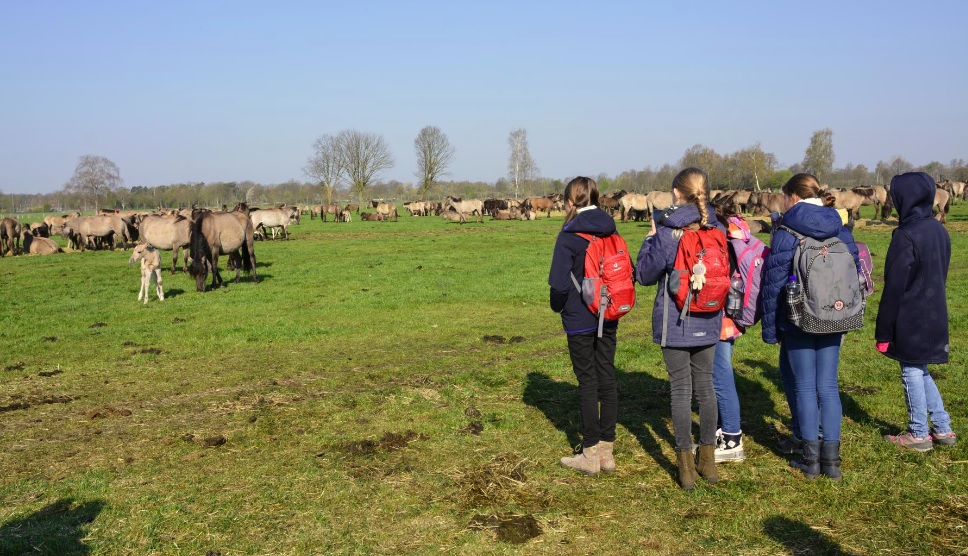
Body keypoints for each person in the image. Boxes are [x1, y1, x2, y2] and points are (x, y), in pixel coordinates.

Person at [761, 173, 860, 480]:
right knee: (828, 386)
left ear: (793, 197)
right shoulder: (840, 227)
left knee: (804, 386)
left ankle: (810, 459)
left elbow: (773, 284)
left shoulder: (787, 231)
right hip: (835, 315)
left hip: (799, 317)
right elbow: (853, 269)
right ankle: (832, 461)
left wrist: (771, 329)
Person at [635, 167, 725, 489]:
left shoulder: (667, 231)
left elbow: (644, 275)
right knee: (706, 388)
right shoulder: (718, 227)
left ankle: (686, 467)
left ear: (676, 194)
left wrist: (647, 242)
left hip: (676, 321)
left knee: (681, 390)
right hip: (710, 318)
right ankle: (709, 463)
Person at [878, 172, 956, 451]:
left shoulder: (905, 235)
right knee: (920, 369)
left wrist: (884, 330)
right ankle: (943, 428)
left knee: (911, 369)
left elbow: (894, 287)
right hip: (935, 311)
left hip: (910, 315)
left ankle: (919, 433)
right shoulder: (939, 229)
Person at [548, 176, 619, 475]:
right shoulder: (610, 229)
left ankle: (589, 453)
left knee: (587, 380)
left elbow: (559, 284)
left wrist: (558, 306)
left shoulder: (568, 235)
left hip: (579, 318)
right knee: (607, 375)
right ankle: (607, 451)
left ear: (569, 202)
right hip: (608, 312)